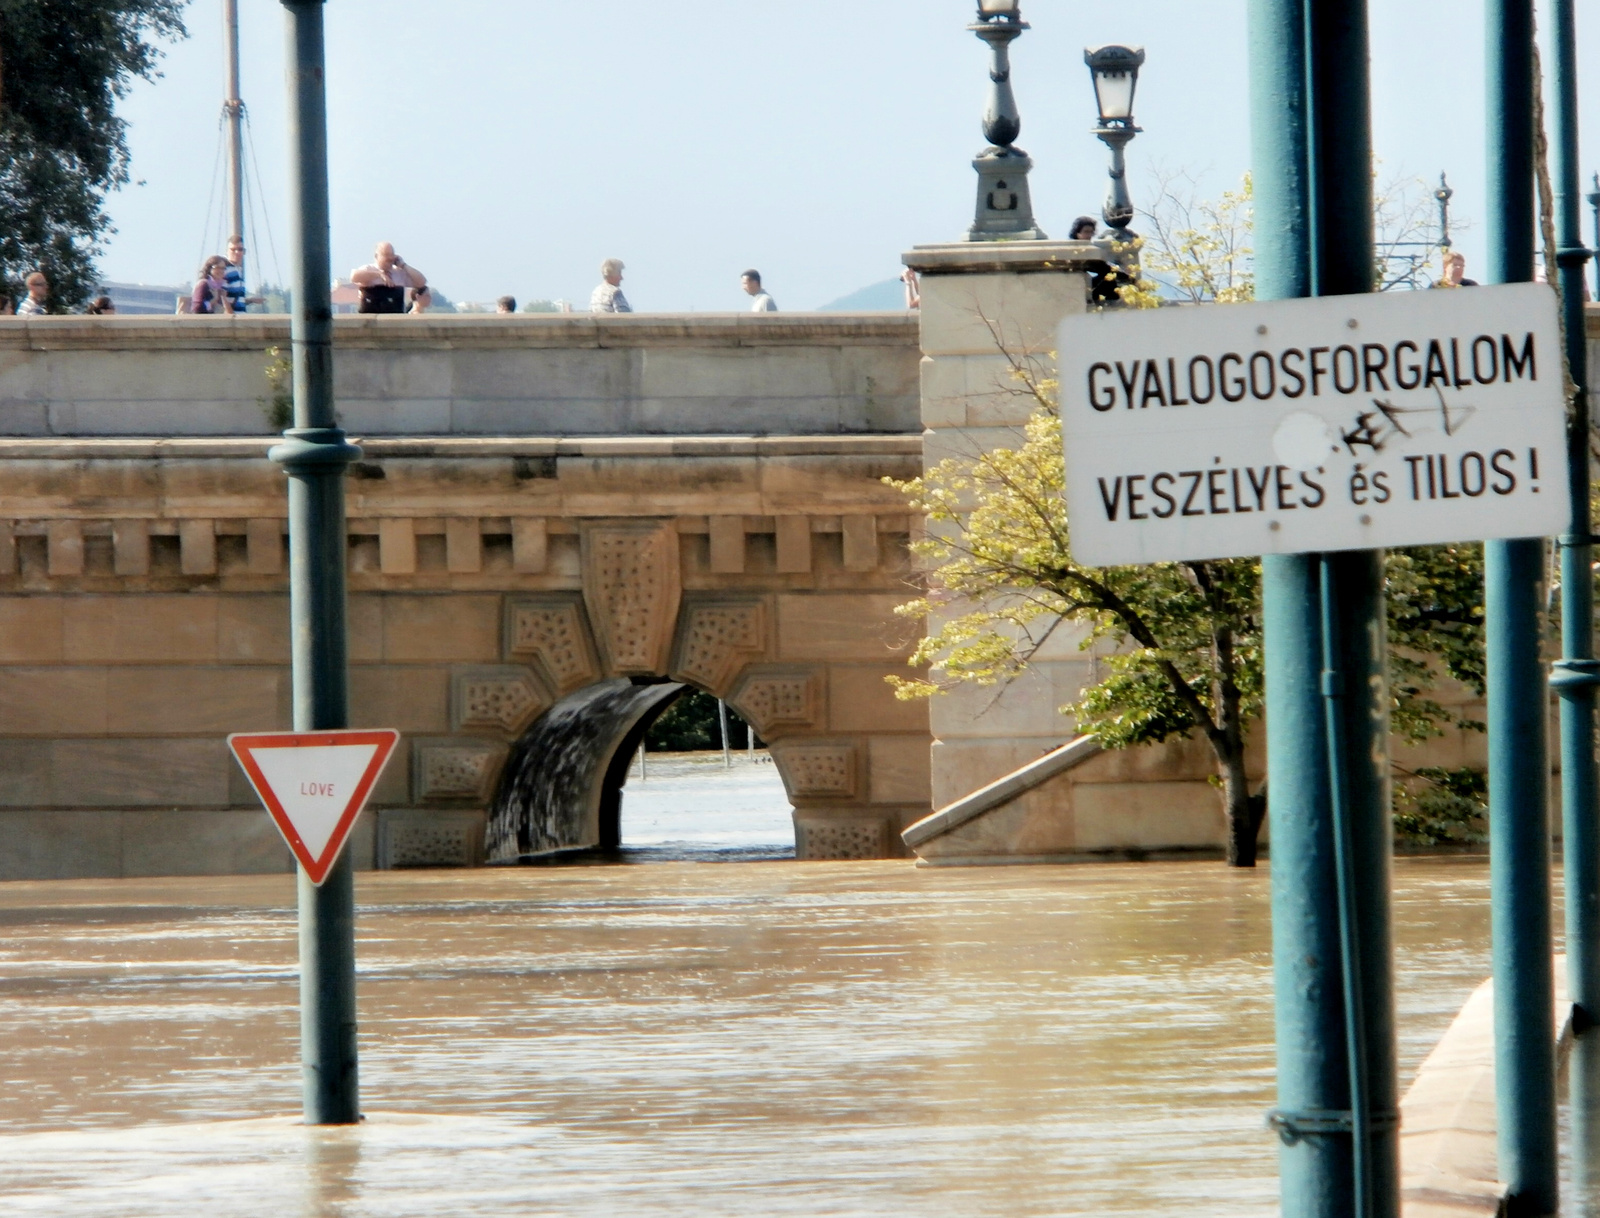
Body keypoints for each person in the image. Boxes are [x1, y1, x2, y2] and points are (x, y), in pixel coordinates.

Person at [350, 242, 427, 313]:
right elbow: (354, 277)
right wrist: (379, 274)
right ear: (376, 256)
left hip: (395, 317)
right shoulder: (369, 269)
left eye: (392, 254)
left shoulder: (399, 273)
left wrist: (404, 265)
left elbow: (421, 282)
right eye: (386, 255)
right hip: (371, 317)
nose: (390, 258)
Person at [223, 235, 265, 313]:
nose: (237, 252)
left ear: (244, 252)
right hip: (232, 321)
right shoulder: (225, 269)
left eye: (240, 249)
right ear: (227, 251)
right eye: (233, 249)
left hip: (240, 318)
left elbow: (235, 299)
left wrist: (251, 300)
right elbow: (222, 297)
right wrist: (231, 315)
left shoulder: (238, 270)